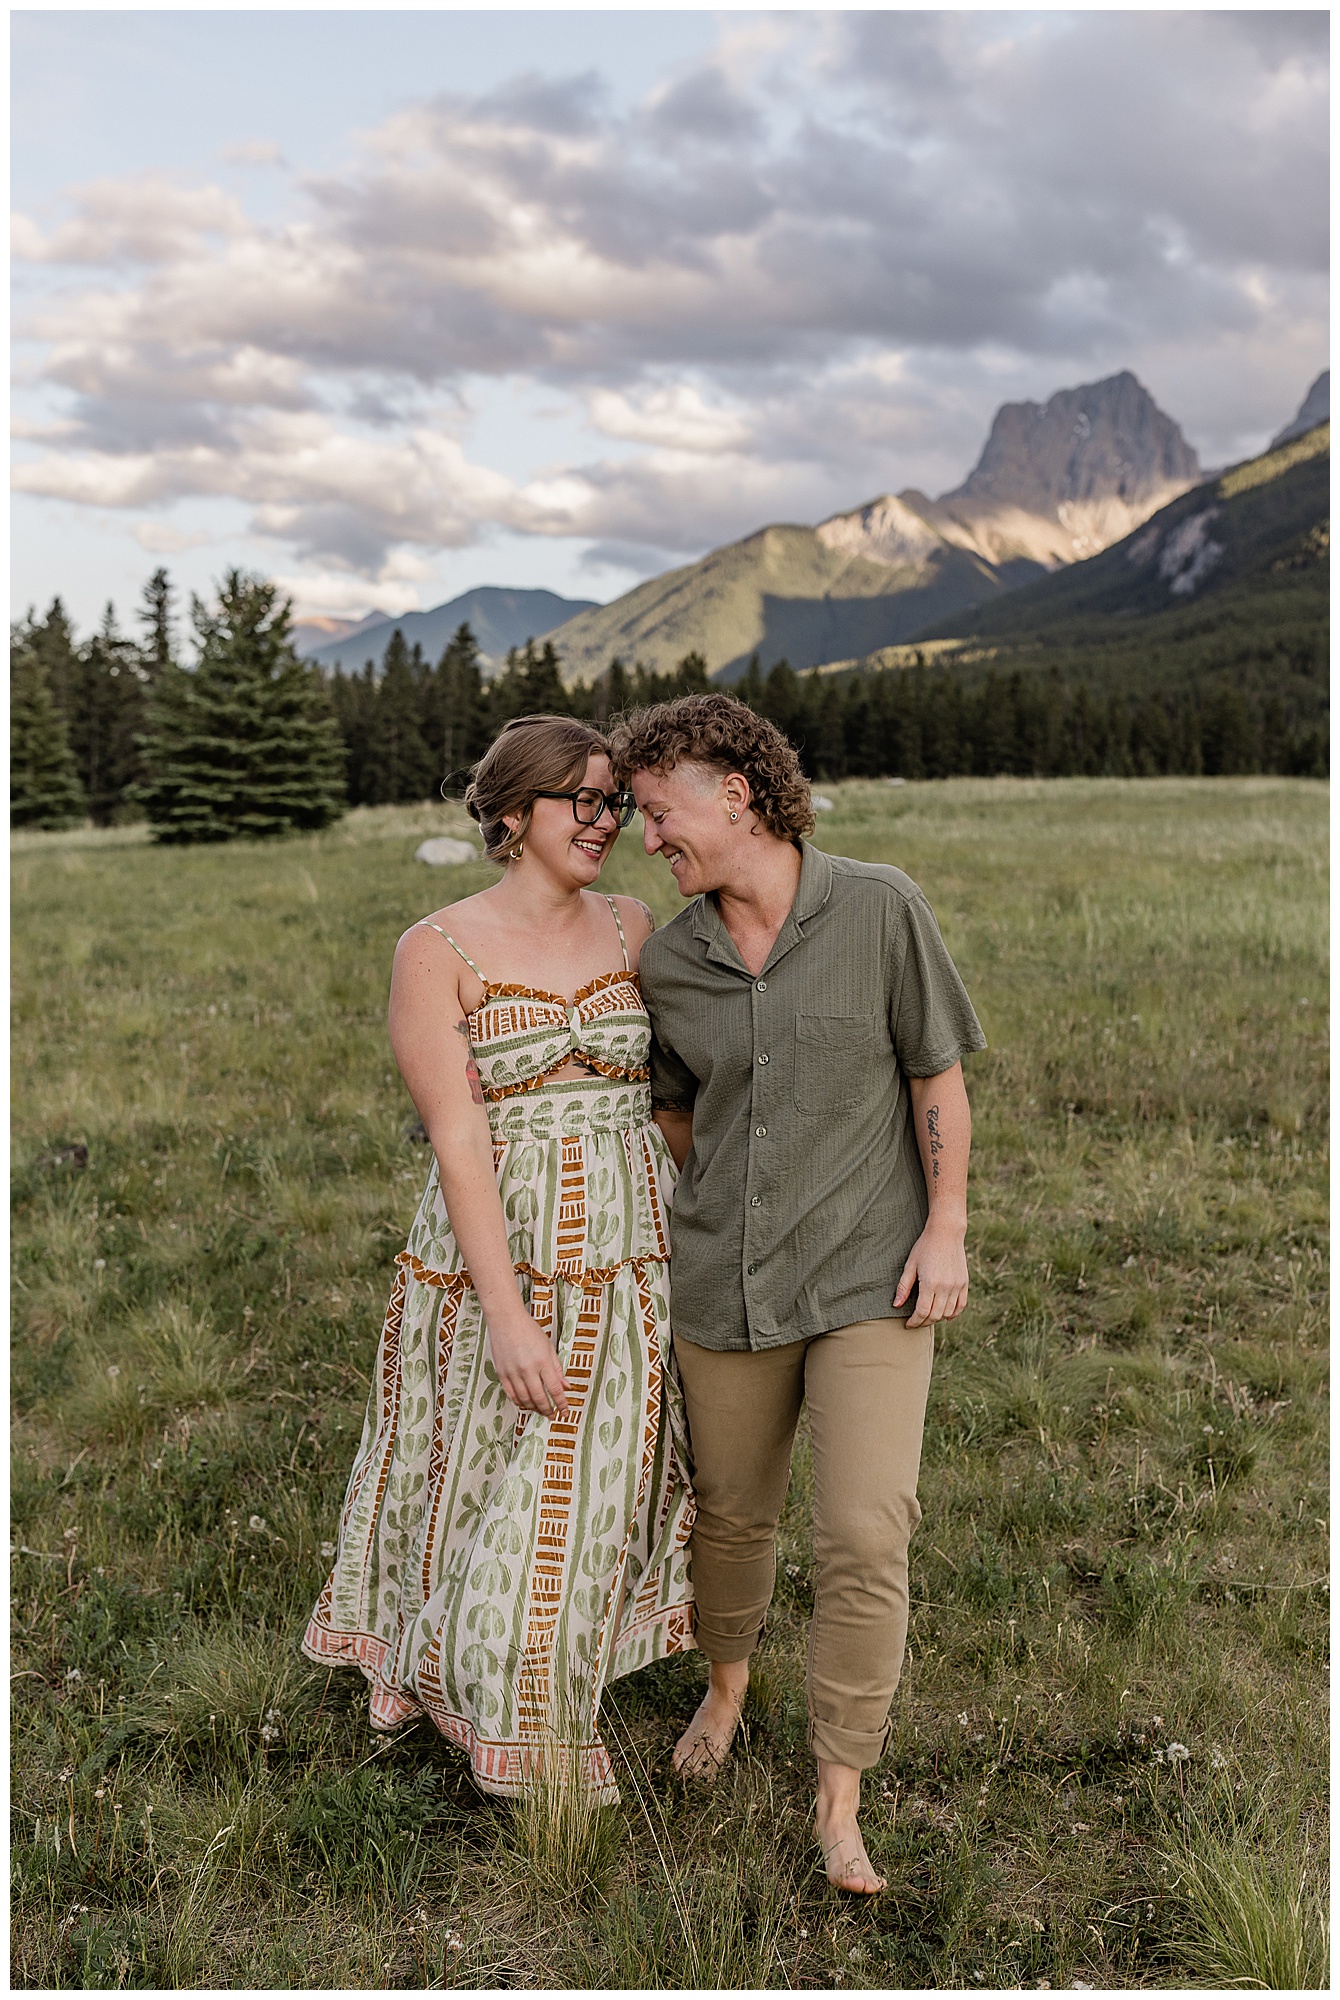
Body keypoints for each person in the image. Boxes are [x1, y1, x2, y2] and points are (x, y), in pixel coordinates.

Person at [609, 693, 986, 1893]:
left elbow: (934, 1074)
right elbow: (676, 1109)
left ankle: (837, 1789)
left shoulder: (878, 906)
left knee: (865, 1530)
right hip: (724, 1279)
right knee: (729, 1514)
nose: (644, 839)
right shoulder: (669, 960)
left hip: (873, 1274)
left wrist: (944, 1225)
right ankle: (725, 1688)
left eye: (657, 813)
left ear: (735, 793)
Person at [304, 715, 695, 1802]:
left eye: (614, 802)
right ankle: (476, 1684)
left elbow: (671, 1094)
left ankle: (531, 1689)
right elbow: (457, 1137)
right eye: (584, 800)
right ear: (516, 813)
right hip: (495, 1258)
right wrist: (509, 1313)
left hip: (628, 1248)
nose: (605, 821)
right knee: (476, 1475)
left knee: (588, 1478)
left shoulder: (631, 923)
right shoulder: (437, 949)